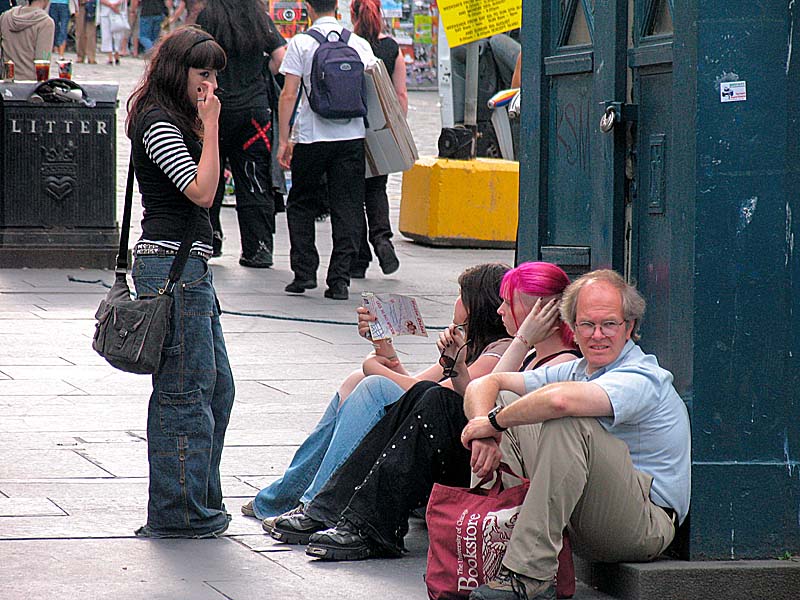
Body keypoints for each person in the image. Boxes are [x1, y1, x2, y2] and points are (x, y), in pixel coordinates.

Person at [268, 262, 581, 561]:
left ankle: (352, 519)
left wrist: (521, 340)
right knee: (422, 394)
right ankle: (337, 511)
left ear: (538, 312)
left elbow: (495, 402)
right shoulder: (527, 356)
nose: (501, 311)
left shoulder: (557, 363)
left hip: (507, 474)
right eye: (499, 302)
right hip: (484, 455)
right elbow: (480, 397)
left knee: (421, 397)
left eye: (509, 302)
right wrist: (455, 368)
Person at [460, 269, 691, 600]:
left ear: (629, 328)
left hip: (644, 523)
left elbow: (560, 401)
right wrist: (484, 427)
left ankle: (529, 574)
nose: (598, 335)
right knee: (507, 400)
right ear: (572, 327)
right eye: (587, 324)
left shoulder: (643, 377)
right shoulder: (578, 369)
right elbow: (485, 384)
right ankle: (497, 544)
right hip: (592, 513)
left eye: (609, 324)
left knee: (567, 420)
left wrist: (494, 423)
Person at [244, 263, 512, 523]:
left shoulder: (497, 352)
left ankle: (315, 503)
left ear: (476, 306)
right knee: (357, 380)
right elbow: (414, 384)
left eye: (460, 296)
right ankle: (286, 496)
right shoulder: (470, 343)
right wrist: (382, 345)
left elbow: (427, 395)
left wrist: (376, 368)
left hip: (450, 455)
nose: (455, 302)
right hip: (435, 438)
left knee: (374, 385)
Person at [125, 26, 234, 538]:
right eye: (202, 73)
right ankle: (179, 511)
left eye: (214, 74)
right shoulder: (158, 121)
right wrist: (210, 128)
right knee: (185, 392)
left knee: (216, 388)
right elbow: (203, 191)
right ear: (178, 71)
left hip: (190, 268)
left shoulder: (176, 117)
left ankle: (200, 498)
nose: (209, 83)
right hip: (171, 269)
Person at [278, 0, 376, 300]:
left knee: (301, 202)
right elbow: (374, 90)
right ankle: (340, 280)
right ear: (337, 7)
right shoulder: (358, 44)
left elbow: (289, 94)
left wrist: (284, 140)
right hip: (352, 137)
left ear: (307, 7)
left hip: (311, 137)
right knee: (348, 206)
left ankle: (304, 272)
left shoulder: (301, 43)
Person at [196, 0, 287, 268]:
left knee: (209, 171)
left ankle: (209, 238)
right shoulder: (260, 17)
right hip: (254, 112)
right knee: (253, 176)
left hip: (215, 108)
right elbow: (280, 59)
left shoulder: (208, 16)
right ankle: (258, 247)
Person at [348, 0, 406, 280]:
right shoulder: (391, 48)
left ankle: (359, 257)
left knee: (352, 194)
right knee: (377, 188)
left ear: (352, 14)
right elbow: (401, 96)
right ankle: (382, 240)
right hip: (380, 131)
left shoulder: (349, 45)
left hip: (350, 129)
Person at [0, 0, 54, 81]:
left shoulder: (5, 17)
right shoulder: (45, 22)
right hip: (31, 85)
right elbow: (42, 62)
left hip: (6, 82)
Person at [98, 0, 127, 65]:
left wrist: (116, 4)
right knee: (106, 35)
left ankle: (117, 55)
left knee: (118, 35)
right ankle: (110, 57)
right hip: (105, 12)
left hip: (118, 10)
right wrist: (111, 5)